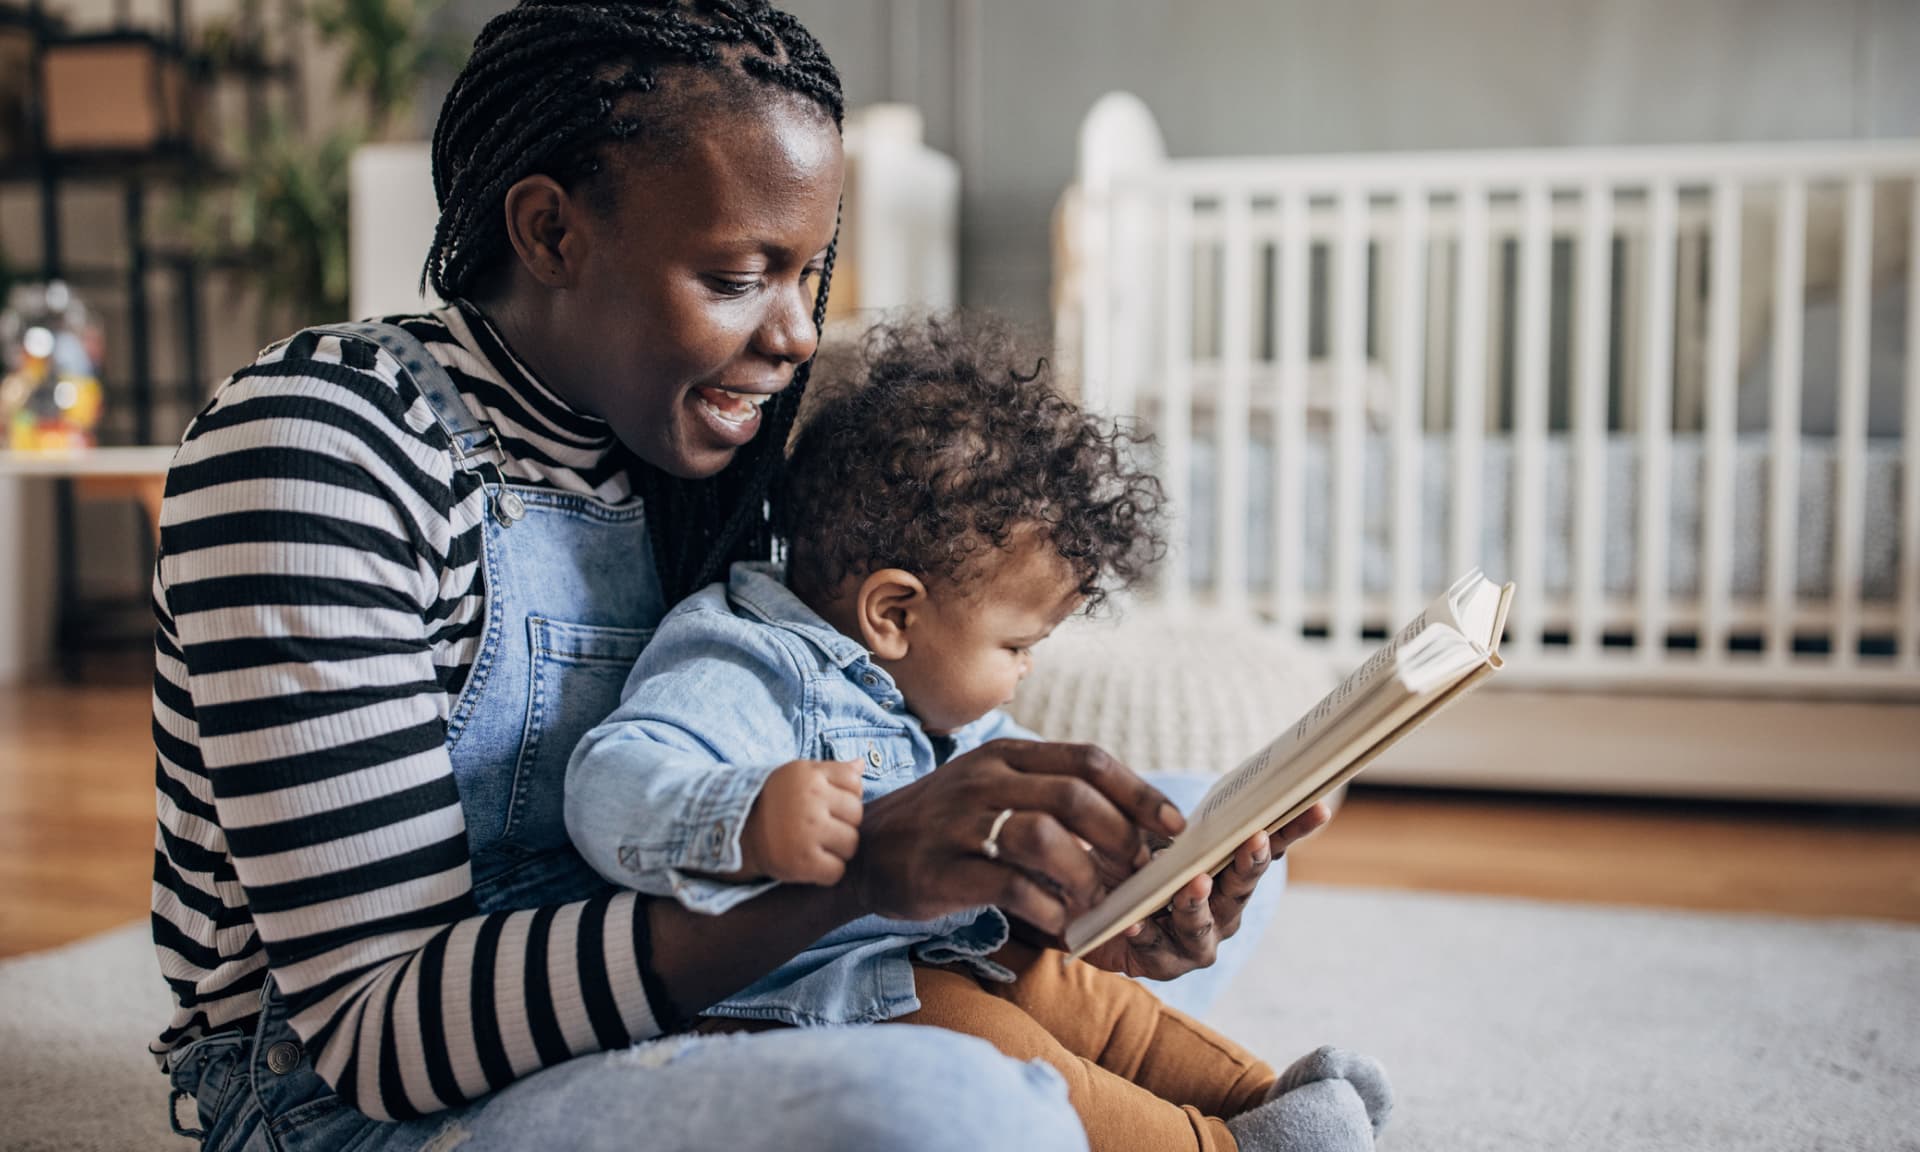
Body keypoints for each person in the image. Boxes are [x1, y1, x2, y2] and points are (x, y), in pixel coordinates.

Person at [147, 3, 1321, 1150]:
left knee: (1165, 816)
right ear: (552, 233)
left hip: (725, 986)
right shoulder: (323, 450)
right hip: (367, 1100)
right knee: (940, 1109)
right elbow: (381, 1037)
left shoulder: (696, 446)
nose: (800, 334)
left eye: (807, 274)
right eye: (736, 276)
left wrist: (1083, 909)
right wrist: (861, 876)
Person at [565, 316, 1392, 1152]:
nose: (1028, 669)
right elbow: (606, 782)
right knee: (1000, 1042)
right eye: (1018, 646)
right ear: (893, 612)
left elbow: (1020, 810)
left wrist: (1136, 874)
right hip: (808, 996)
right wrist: (748, 815)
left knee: (1085, 996)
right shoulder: (746, 664)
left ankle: (1263, 1094)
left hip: (945, 947)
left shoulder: (937, 696)